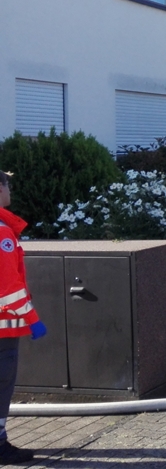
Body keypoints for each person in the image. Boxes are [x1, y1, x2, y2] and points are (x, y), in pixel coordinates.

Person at [0, 171, 45, 464]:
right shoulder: (2, 233)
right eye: (8, 185)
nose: (10, 191)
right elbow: (7, 288)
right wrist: (32, 319)